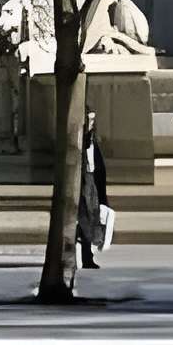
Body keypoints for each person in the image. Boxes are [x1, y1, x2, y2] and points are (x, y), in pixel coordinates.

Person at [76, 108, 109, 271]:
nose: (92, 123)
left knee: (91, 219)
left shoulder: (92, 141)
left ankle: (87, 256)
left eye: (93, 120)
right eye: (89, 119)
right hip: (82, 183)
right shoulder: (79, 140)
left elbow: (99, 166)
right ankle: (84, 255)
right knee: (83, 220)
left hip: (91, 183)